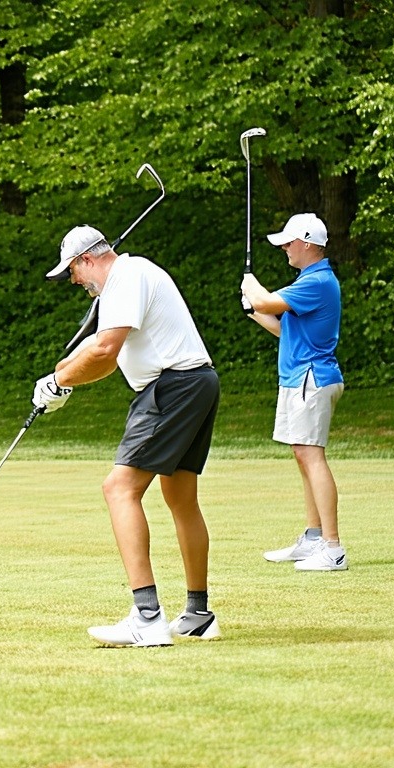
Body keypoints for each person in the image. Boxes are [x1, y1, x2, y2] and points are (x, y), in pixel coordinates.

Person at [34, 225, 222, 647]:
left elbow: (104, 354)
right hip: (197, 382)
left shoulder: (126, 276)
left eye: (73, 273)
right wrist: (57, 378)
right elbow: (96, 351)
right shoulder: (129, 279)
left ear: (87, 260)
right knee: (180, 497)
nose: (74, 282)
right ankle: (198, 614)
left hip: (171, 388)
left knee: (118, 488)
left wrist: (60, 382)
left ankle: (147, 616)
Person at [241, 213, 346, 571]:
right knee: (303, 456)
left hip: (311, 378)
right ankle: (314, 537)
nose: (284, 247)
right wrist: (253, 309)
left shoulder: (317, 281)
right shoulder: (307, 282)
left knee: (311, 456)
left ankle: (332, 548)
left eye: (288, 242)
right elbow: (282, 328)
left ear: (306, 242)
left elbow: (268, 302)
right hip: (299, 378)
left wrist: (252, 287)